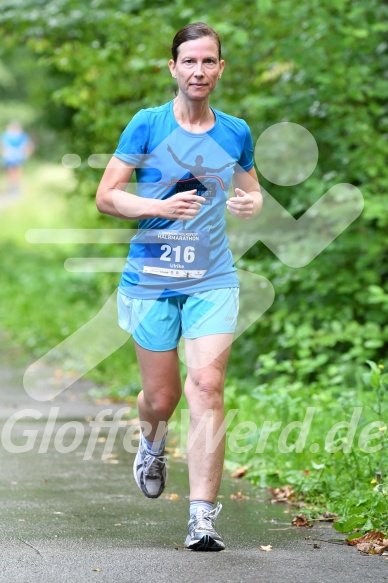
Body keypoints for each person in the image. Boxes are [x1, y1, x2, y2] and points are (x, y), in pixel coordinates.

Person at [96, 22, 263, 551]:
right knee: (162, 398)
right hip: (150, 280)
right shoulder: (147, 124)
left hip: (212, 279)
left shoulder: (235, 130)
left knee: (208, 389)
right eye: (189, 61)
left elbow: (251, 191)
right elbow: (107, 196)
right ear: (173, 68)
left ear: (220, 68)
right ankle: (152, 440)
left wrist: (249, 204)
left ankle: (201, 519)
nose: (199, 71)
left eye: (208, 61)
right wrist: (158, 207)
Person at [1, 121, 34, 193]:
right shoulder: (6, 135)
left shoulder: (22, 135)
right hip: (9, 155)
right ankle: (11, 185)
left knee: (17, 169)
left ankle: (16, 186)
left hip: (18, 155)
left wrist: (26, 154)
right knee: (10, 170)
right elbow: (3, 145)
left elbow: (26, 145)